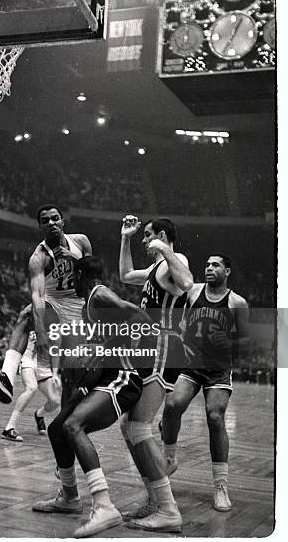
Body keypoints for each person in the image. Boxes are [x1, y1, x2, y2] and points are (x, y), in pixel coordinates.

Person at [32, 256, 151, 538]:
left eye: (72, 274)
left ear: (79, 274)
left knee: (74, 426)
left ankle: (104, 506)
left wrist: (109, 348)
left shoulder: (99, 294)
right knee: (57, 429)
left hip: (123, 378)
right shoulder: (89, 304)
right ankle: (70, 497)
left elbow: (141, 317)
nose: (69, 280)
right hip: (103, 379)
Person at [119, 215, 193, 532]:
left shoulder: (174, 261)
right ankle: (154, 500)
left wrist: (163, 247)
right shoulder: (154, 269)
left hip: (166, 344)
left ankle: (168, 510)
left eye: (146, 236)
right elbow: (124, 275)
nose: (144, 241)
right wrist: (125, 238)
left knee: (139, 427)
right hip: (150, 347)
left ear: (161, 235)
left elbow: (188, 282)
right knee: (128, 426)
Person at [161, 253, 249, 512]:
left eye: (216, 265)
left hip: (218, 369)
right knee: (173, 404)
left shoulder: (236, 302)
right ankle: (169, 458)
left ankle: (220, 485)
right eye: (207, 264)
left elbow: (244, 339)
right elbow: (176, 275)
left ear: (227, 271)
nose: (209, 268)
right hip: (192, 364)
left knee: (215, 417)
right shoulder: (194, 291)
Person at [0, 204, 92, 405]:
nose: (51, 222)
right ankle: (6, 376)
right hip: (54, 304)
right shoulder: (38, 257)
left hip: (78, 305)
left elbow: (93, 275)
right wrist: (40, 333)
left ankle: (67, 421)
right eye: (45, 220)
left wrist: (74, 258)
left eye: (55, 218)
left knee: (71, 376)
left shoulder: (81, 242)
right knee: (25, 314)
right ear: (40, 227)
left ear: (62, 221)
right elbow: (37, 295)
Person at [2, 327, 60, 441]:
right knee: (31, 388)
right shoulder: (32, 318)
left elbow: (56, 352)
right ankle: (9, 428)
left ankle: (39, 415)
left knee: (55, 401)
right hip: (28, 361)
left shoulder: (56, 327)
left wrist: (55, 373)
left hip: (44, 366)